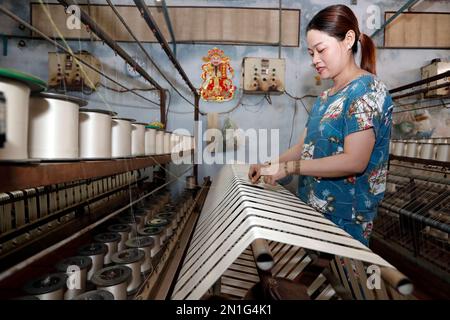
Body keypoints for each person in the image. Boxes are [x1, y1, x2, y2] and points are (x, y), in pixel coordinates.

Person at [248, 4, 393, 246]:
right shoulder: (326, 98)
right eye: (310, 53)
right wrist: (270, 164)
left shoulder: (367, 91)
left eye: (321, 50)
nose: (315, 60)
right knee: (321, 281)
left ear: (348, 40)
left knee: (346, 282)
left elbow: (354, 161)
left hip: (345, 219)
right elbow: (305, 145)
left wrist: (290, 168)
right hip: (313, 209)